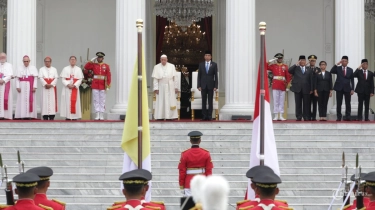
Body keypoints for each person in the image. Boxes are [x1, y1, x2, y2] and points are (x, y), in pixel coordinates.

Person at [178, 131, 213, 196]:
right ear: (200, 141)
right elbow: (209, 171)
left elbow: (182, 171)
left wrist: (181, 185)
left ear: (190, 141)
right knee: (202, 205)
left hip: (189, 183)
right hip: (203, 182)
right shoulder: (206, 153)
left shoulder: (184, 154)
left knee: (190, 205)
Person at [84, 52, 111, 120]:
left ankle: (101, 114)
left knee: (102, 100)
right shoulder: (94, 65)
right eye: (98, 57)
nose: (99, 58)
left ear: (103, 58)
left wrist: (108, 85)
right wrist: (91, 60)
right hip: (95, 84)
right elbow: (86, 67)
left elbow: (108, 75)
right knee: (96, 100)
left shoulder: (106, 66)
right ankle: (97, 113)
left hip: (102, 84)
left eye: (100, 57)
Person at [152, 54, 179, 120]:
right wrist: (156, 88)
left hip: (170, 86)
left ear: (167, 60)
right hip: (161, 86)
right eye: (162, 60)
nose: (163, 61)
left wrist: (176, 87)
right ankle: (160, 116)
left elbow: (175, 77)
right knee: (161, 101)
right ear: (160, 60)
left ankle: (171, 116)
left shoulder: (171, 66)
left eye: (165, 60)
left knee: (170, 101)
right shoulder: (156, 67)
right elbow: (155, 79)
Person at [288, 55, 313, 121]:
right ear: (299, 61)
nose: (302, 61)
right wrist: (296, 64)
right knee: (298, 103)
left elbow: (311, 80)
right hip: (297, 88)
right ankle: (298, 116)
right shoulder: (296, 68)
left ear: (305, 61)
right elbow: (289, 70)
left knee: (306, 103)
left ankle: (306, 116)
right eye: (301, 60)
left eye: (304, 60)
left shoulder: (309, 69)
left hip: (306, 89)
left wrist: (311, 89)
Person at [268, 53, 291, 121]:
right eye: (278, 58)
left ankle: (281, 115)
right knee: (275, 101)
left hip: (283, 85)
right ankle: (275, 115)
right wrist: (272, 60)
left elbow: (288, 76)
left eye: (281, 58)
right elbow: (265, 66)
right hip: (275, 84)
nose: (280, 59)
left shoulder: (285, 66)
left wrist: (288, 86)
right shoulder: (273, 66)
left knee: (281, 101)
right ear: (276, 59)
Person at [330, 56, 354, 121]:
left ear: (347, 62)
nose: (344, 62)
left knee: (348, 103)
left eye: (345, 61)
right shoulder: (338, 68)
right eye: (342, 61)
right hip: (339, 88)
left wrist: (352, 89)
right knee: (339, 103)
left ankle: (348, 116)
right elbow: (331, 71)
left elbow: (352, 80)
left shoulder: (350, 70)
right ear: (341, 61)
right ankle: (339, 117)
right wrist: (337, 64)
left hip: (347, 88)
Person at [15, 55, 38, 120]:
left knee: (30, 100)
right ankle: (21, 115)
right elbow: (17, 78)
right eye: (24, 61)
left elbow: (35, 78)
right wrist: (17, 86)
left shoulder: (33, 68)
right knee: (21, 100)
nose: (26, 63)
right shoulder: (19, 68)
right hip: (22, 86)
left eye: (27, 61)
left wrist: (34, 86)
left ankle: (30, 115)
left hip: (30, 86)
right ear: (23, 61)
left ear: (29, 61)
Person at [60, 56, 83, 120]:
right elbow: (63, 79)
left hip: (75, 88)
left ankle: (74, 117)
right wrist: (68, 85)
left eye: (74, 59)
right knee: (67, 102)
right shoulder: (65, 69)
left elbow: (80, 79)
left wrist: (75, 85)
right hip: (67, 88)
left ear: (76, 61)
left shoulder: (79, 69)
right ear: (69, 60)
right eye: (71, 59)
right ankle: (68, 116)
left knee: (75, 102)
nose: (72, 61)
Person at [197, 50, 218, 121]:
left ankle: (209, 116)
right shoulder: (201, 64)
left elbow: (216, 76)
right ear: (204, 56)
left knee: (210, 101)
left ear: (211, 57)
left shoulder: (214, 64)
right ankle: (204, 116)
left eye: (208, 55)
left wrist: (215, 86)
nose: (207, 56)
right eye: (206, 55)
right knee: (203, 101)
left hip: (211, 85)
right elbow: (199, 76)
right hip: (203, 85)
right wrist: (198, 85)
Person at [0, 53, 13, 120]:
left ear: (6, 57)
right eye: (1, 56)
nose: (2, 58)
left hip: (5, 84)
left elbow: (10, 75)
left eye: (4, 56)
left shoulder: (9, 65)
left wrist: (3, 80)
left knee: (5, 99)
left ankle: (5, 115)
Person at [307, 55, 321, 121]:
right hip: (308, 89)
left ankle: (314, 116)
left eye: (314, 61)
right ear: (309, 61)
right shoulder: (306, 69)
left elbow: (319, 79)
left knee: (315, 103)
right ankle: (308, 116)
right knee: (308, 103)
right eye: (311, 61)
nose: (312, 62)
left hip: (316, 89)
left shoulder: (318, 69)